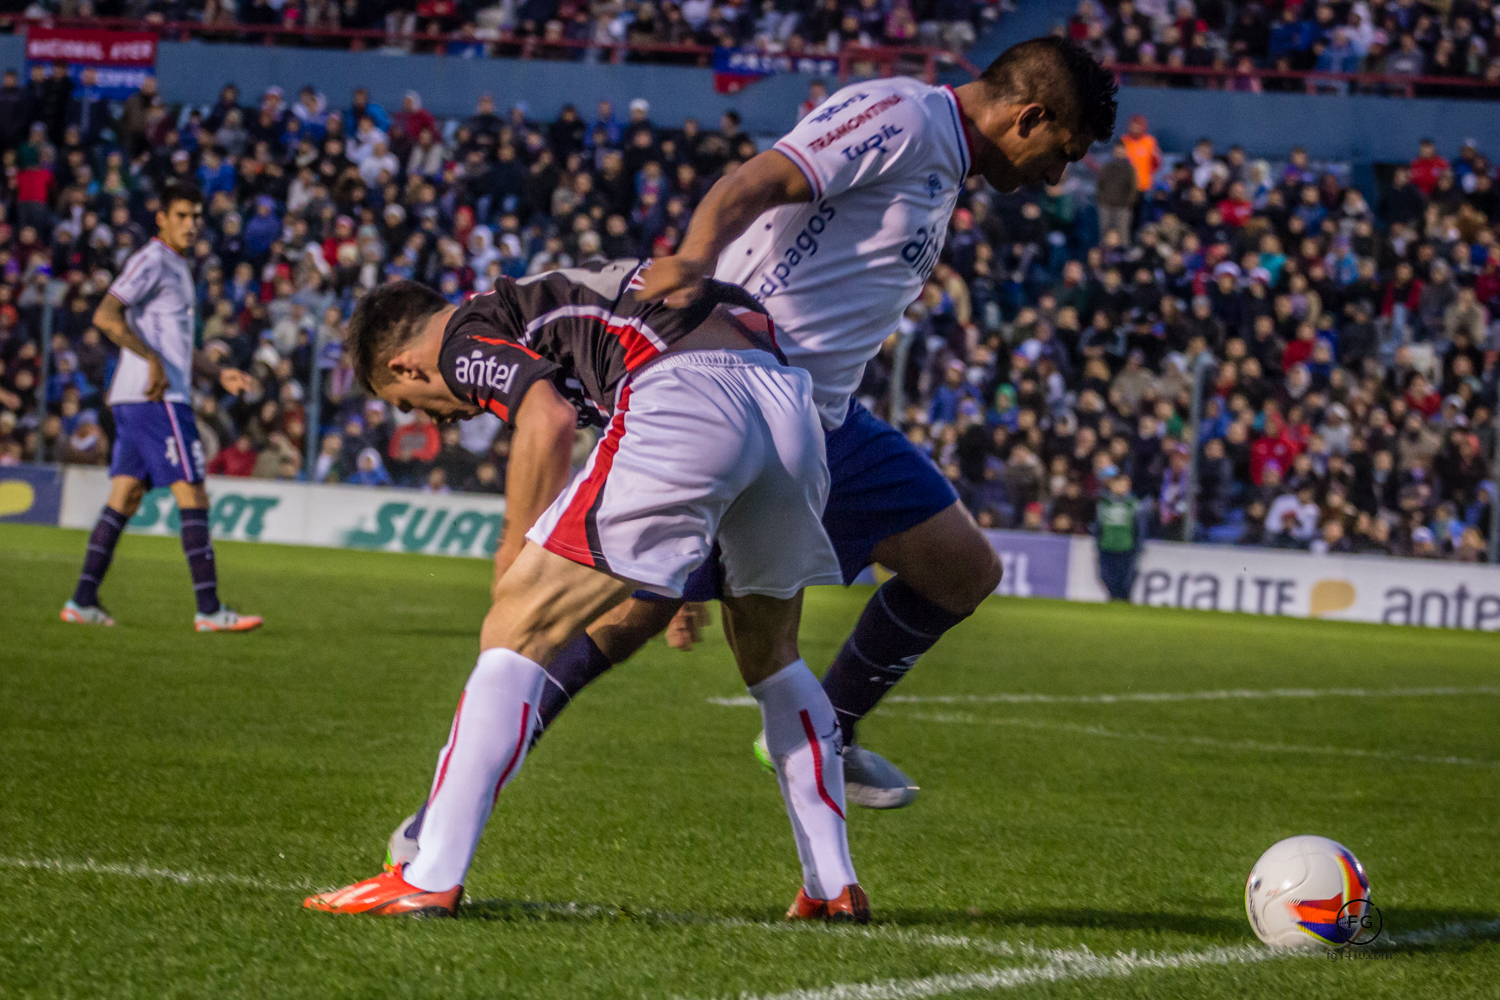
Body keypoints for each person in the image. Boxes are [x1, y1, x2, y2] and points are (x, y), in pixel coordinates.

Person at [383, 37, 1116, 830]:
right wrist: (695, 257)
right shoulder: (901, 115)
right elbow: (758, 179)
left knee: (961, 570)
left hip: (825, 418)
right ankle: (438, 826)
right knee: (621, 619)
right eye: (1061, 153)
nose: (1056, 176)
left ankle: (826, 733)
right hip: (740, 393)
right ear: (1029, 116)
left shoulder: (944, 160)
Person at [305, 264, 862, 921]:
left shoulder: (462, 336)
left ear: (404, 368)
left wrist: (512, 555)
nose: (434, 415)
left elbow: (547, 418)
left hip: (683, 388)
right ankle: (833, 885)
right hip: (786, 401)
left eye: (406, 403)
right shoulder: (555, 304)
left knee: (515, 627)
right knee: (773, 654)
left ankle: (428, 873)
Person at [61, 183, 263, 633]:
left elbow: (177, 346)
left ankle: (82, 600)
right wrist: (151, 359)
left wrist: (217, 373)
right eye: (183, 216)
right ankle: (209, 610)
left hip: (136, 400)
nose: (191, 224)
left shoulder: (177, 267)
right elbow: (106, 315)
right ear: (162, 218)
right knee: (192, 492)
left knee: (126, 497)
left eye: (196, 216)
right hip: (159, 399)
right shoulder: (152, 260)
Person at [1094, 474, 1140, 600]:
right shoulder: (1103, 503)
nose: (1121, 487)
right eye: (1118, 484)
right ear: (1112, 485)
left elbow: (1139, 528)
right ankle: (1113, 597)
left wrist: (1137, 546)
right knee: (1105, 576)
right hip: (1107, 545)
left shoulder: (1133, 504)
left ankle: (1124, 599)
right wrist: (1098, 543)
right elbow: (1098, 526)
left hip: (1126, 547)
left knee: (1125, 579)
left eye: (1124, 485)